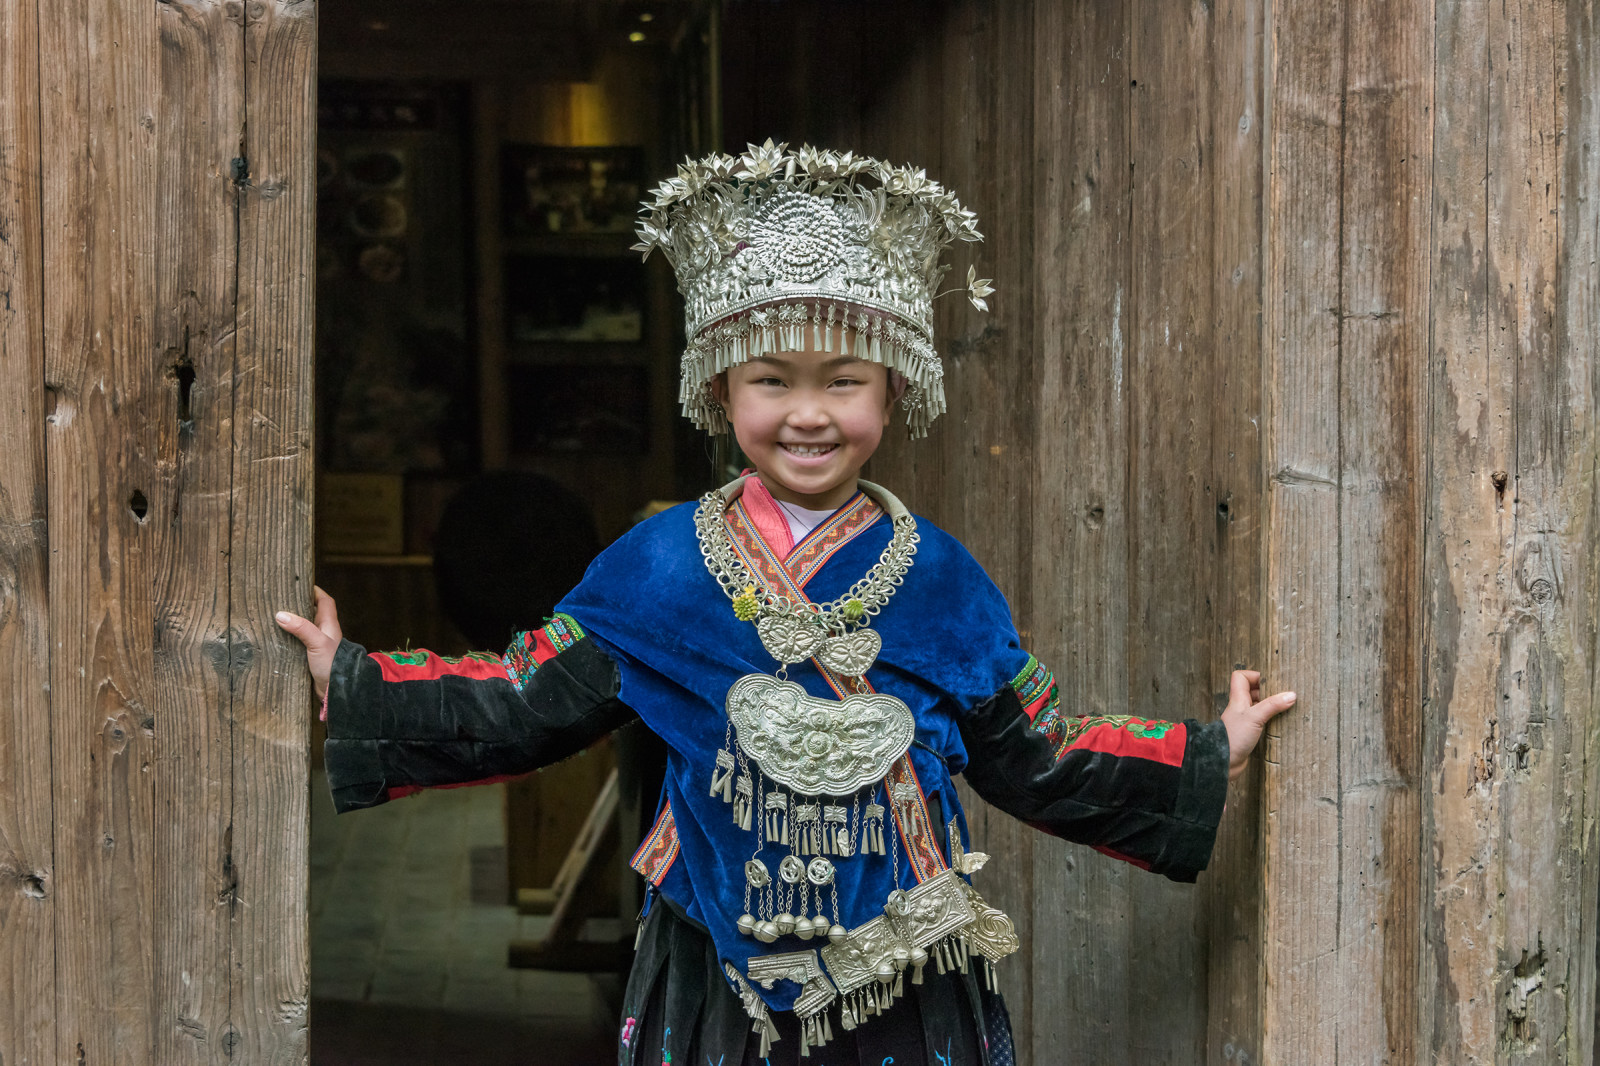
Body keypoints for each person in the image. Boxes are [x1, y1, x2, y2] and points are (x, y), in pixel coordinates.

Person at [277, 140, 1296, 1066]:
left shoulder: (941, 578)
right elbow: (526, 699)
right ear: (720, 393)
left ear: (893, 392)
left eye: (844, 381)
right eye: (771, 379)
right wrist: (361, 682)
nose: (808, 414)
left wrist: (1203, 753)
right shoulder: (658, 568)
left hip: (906, 977)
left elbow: (1032, 747)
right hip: (718, 972)